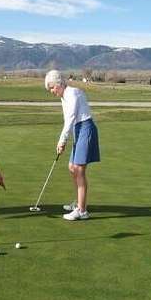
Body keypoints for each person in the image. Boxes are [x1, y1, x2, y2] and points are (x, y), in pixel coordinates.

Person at [45, 70, 100, 220]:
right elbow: (68, 121)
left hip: (86, 128)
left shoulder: (72, 93)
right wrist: (63, 140)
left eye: (52, 88)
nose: (51, 91)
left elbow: (70, 118)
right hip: (78, 129)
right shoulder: (63, 97)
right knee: (71, 167)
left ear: (59, 84)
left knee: (79, 170)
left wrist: (62, 140)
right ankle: (78, 203)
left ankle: (82, 211)